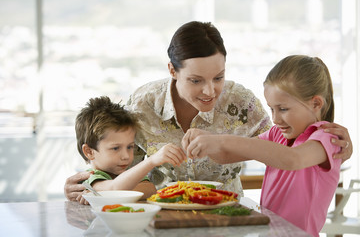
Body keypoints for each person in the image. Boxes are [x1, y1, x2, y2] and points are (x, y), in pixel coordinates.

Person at [64, 21, 353, 202]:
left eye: (218, 77)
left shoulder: (241, 101)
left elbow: (287, 141)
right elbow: (117, 160)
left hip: (228, 218)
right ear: (172, 71)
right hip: (158, 219)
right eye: (196, 80)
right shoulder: (142, 105)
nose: (209, 91)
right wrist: (91, 185)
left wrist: (343, 147)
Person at [182, 55, 342, 236]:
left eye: (283, 109)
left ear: (315, 104)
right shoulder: (277, 134)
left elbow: (292, 159)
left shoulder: (328, 138)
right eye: (271, 109)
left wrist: (220, 140)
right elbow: (227, 156)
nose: (275, 118)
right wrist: (206, 142)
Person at [74, 96, 185, 204]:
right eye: (115, 148)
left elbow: (150, 188)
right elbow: (115, 189)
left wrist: (109, 192)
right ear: (89, 151)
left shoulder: (127, 173)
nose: (126, 156)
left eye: (130, 147)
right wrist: (152, 161)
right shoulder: (91, 178)